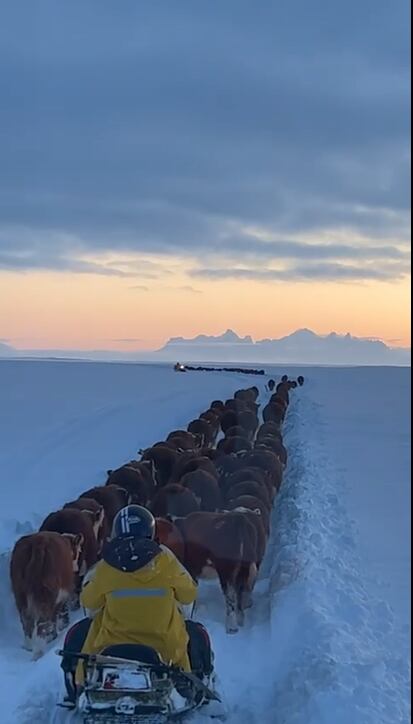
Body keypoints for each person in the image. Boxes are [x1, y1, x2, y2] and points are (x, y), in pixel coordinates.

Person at [67, 505, 213, 694]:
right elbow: (188, 595)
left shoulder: (106, 566)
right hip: (165, 651)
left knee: (86, 631)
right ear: (151, 532)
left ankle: (78, 686)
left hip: (110, 650)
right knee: (191, 632)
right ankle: (189, 684)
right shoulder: (166, 561)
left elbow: (89, 602)